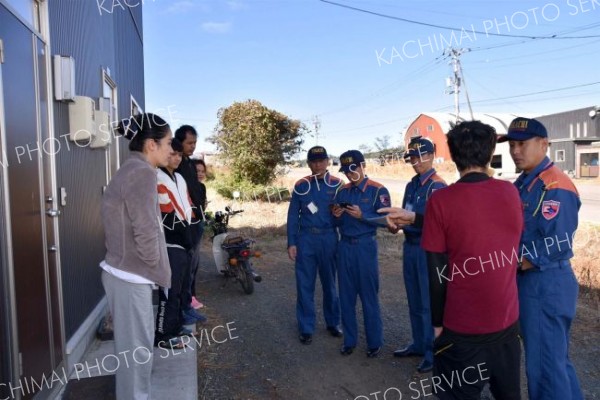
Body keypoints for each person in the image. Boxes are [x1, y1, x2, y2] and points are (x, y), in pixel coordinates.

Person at [384, 120, 523, 399]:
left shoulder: (442, 200)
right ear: (489, 153)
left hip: (462, 329)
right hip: (506, 324)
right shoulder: (510, 192)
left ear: (453, 155)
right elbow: (487, 232)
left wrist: (437, 324)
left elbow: (438, 271)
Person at [499, 117, 583, 400]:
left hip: (545, 283)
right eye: (512, 144)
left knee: (544, 366)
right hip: (531, 282)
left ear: (544, 144)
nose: (515, 151)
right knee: (554, 360)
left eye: (522, 144)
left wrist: (510, 263)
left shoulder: (555, 185)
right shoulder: (525, 182)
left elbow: (557, 244)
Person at [100, 113, 172, 399]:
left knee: (134, 353)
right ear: (151, 145)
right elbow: (146, 228)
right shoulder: (141, 172)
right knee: (136, 356)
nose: (171, 149)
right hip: (131, 277)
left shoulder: (131, 169)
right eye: (167, 143)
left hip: (126, 274)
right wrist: (155, 267)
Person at [391, 137, 447, 374]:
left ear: (431, 156)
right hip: (410, 246)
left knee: (428, 303)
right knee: (414, 300)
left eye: (420, 157)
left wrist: (411, 222)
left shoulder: (438, 186)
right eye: (412, 158)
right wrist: (396, 224)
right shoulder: (412, 185)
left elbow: (441, 224)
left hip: (428, 250)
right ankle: (417, 343)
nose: (416, 162)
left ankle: (431, 353)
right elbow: (407, 214)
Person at [332, 150, 391, 357]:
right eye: (346, 171)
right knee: (346, 297)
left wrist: (362, 215)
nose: (350, 174)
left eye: (353, 169)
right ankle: (349, 340)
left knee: (368, 296)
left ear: (362, 165)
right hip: (344, 247)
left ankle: (374, 342)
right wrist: (337, 215)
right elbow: (337, 222)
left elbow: (386, 222)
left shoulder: (377, 190)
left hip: (365, 247)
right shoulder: (342, 192)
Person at [287, 146, 343, 344]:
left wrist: (339, 217)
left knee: (330, 285)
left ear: (328, 161)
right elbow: (294, 216)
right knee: (305, 285)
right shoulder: (301, 185)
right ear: (308, 163)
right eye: (313, 161)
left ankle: (333, 322)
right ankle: (306, 327)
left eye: (321, 160)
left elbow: (342, 217)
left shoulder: (338, 185)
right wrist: (292, 242)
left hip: (329, 239)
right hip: (306, 240)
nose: (318, 164)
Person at [155, 138, 203, 348]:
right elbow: (167, 215)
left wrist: (191, 236)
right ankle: (162, 335)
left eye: (179, 155)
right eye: (172, 153)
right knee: (169, 291)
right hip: (170, 242)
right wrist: (184, 235)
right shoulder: (156, 177)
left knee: (182, 288)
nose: (175, 158)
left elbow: (190, 209)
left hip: (185, 242)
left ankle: (175, 327)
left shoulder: (180, 179)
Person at [174, 125, 207, 311]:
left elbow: (196, 190)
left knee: (194, 263)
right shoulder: (178, 165)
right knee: (186, 264)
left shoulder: (188, 163)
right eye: (190, 142)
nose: (193, 146)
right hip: (186, 222)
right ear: (179, 142)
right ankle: (185, 304)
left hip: (196, 221)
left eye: (195, 142)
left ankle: (190, 298)